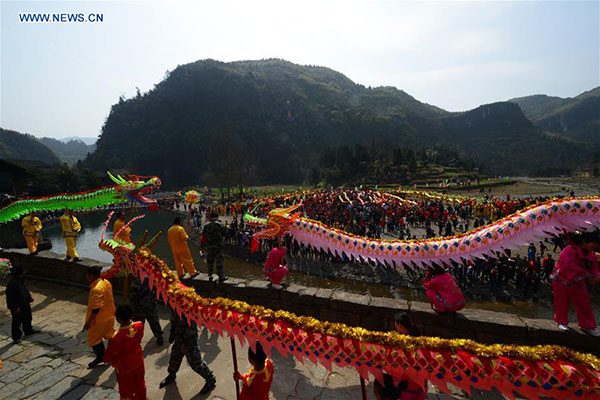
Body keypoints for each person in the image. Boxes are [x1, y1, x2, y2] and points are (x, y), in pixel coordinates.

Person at [551, 232, 600, 336]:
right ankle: (561, 321)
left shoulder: (592, 256)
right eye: (593, 244)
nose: (594, 247)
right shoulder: (569, 250)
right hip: (562, 280)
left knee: (584, 304)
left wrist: (596, 276)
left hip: (579, 283)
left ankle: (587, 325)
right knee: (561, 302)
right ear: (584, 242)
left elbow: (594, 269)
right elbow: (569, 266)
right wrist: (587, 275)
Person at [159, 309, 216, 394]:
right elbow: (174, 320)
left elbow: (191, 325)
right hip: (179, 338)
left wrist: (187, 343)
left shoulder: (190, 306)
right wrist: (172, 334)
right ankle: (171, 375)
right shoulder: (175, 304)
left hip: (189, 340)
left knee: (196, 363)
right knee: (174, 359)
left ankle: (210, 379)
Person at [104, 305, 146, 400]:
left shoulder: (116, 338)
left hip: (124, 366)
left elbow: (108, 356)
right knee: (140, 383)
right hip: (138, 360)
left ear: (119, 320)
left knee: (126, 388)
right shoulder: (139, 325)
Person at [83, 266, 116, 368]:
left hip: (99, 320)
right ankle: (115, 353)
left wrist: (89, 322)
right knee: (111, 334)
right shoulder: (106, 282)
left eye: (88, 275)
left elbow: (96, 308)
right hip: (109, 315)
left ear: (92, 275)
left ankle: (101, 357)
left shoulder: (97, 289)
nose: (87, 277)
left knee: (94, 339)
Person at [6, 265, 38, 342]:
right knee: (17, 321)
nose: (25, 272)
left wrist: (29, 298)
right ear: (20, 273)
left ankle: (28, 330)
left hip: (25, 303)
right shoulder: (12, 284)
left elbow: (25, 290)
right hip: (17, 306)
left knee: (27, 317)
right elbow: (10, 297)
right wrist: (14, 308)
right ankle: (16, 337)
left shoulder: (22, 280)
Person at [130, 277, 164, 345]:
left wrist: (133, 309)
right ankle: (159, 336)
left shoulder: (135, 283)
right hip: (150, 305)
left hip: (139, 308)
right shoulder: (150, 279)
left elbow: (133, 298)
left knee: (138, 326)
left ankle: (137, 341)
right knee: (154, 322)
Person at [200, 212, 227, 282]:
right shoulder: (220, 225)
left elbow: (203, 237)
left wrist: (202, 246)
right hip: (219, 246)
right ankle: (221, 276)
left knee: (210, 261)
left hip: (209, 246)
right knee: (219, 261)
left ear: (210, 217)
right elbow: (225, 234)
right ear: (217, 217)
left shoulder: (206, 226)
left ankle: (210, 274)